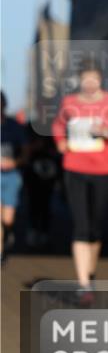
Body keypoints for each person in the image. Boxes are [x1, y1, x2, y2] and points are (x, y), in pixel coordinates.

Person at [51, 61, 108, 302]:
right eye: (85, 79)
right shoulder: (69, 103)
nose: (89, 83)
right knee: (80, 225)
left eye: (93, 79)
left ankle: (90, 271)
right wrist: (60, 142)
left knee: (95, 227)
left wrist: (107, 132)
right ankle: (83, 284)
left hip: (103, 170)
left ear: (100, 80)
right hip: (74, 168)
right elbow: (58, 126)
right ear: (79, 80)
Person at [1, 92, 28, 261]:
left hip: (11, 176)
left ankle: (8, 234)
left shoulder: (13, 126)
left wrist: (15, 162)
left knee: (8, 218)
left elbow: (26, 152)